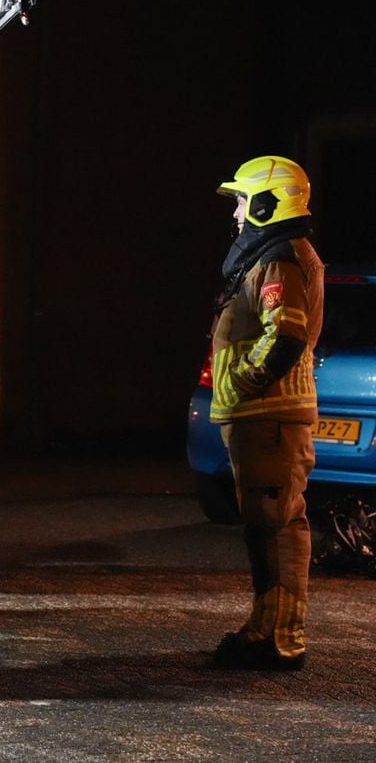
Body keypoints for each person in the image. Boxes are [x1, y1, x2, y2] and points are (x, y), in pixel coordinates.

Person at [209, 155, 323, 671]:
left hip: (269, 416)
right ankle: (268, 627)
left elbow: (287, 335)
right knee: (265, 527)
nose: (235, 213)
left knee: (275, 527)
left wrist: (245, 378)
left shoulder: (279, 259)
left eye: (239, 201)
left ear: (264, 203)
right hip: (263, 418)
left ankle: (279, 639)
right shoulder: (273, 256)